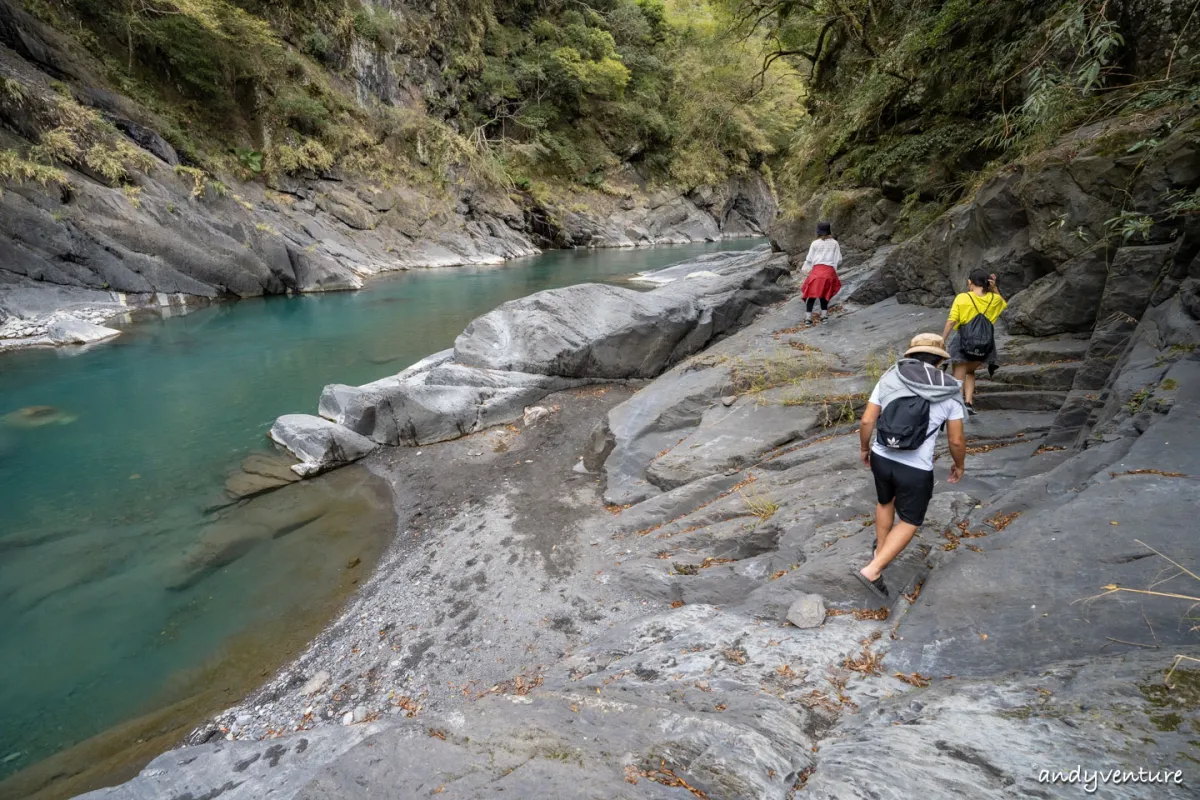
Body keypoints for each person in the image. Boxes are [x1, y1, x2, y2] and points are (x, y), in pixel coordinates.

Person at [854, 333, 966, 602]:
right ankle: (873, 569)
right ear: (940, 360)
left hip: (882, 455)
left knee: (885, 502)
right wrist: (959, 464)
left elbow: (868, 420)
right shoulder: (950, 388)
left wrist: (864, 447)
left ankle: (881, 550)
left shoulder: (890, 376)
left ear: (911, 356)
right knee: (911, 519)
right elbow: (956, 439)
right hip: (915, 467)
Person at [942, 269, 1007, 415]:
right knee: (970, 371)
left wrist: (942, 339)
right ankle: (968, 403)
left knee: (959, 371)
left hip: (963, 340)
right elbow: (1003, 305)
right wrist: (994, 288)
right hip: (985, 343)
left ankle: (958, 405)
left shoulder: (962, 297)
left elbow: (952, 320)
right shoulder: (994, 299)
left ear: (970, 282)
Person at [799, 221, 842, 325]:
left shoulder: (815, 243)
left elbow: (809, 259)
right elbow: (839, 259)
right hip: (829, 273)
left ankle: (808, 319)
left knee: (811, 295)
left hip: (817, 272)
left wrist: (805, 270)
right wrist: (833, 269)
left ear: (818, 232)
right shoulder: (834, 243)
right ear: (829, 231)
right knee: (824, 296)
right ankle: (824, 317)